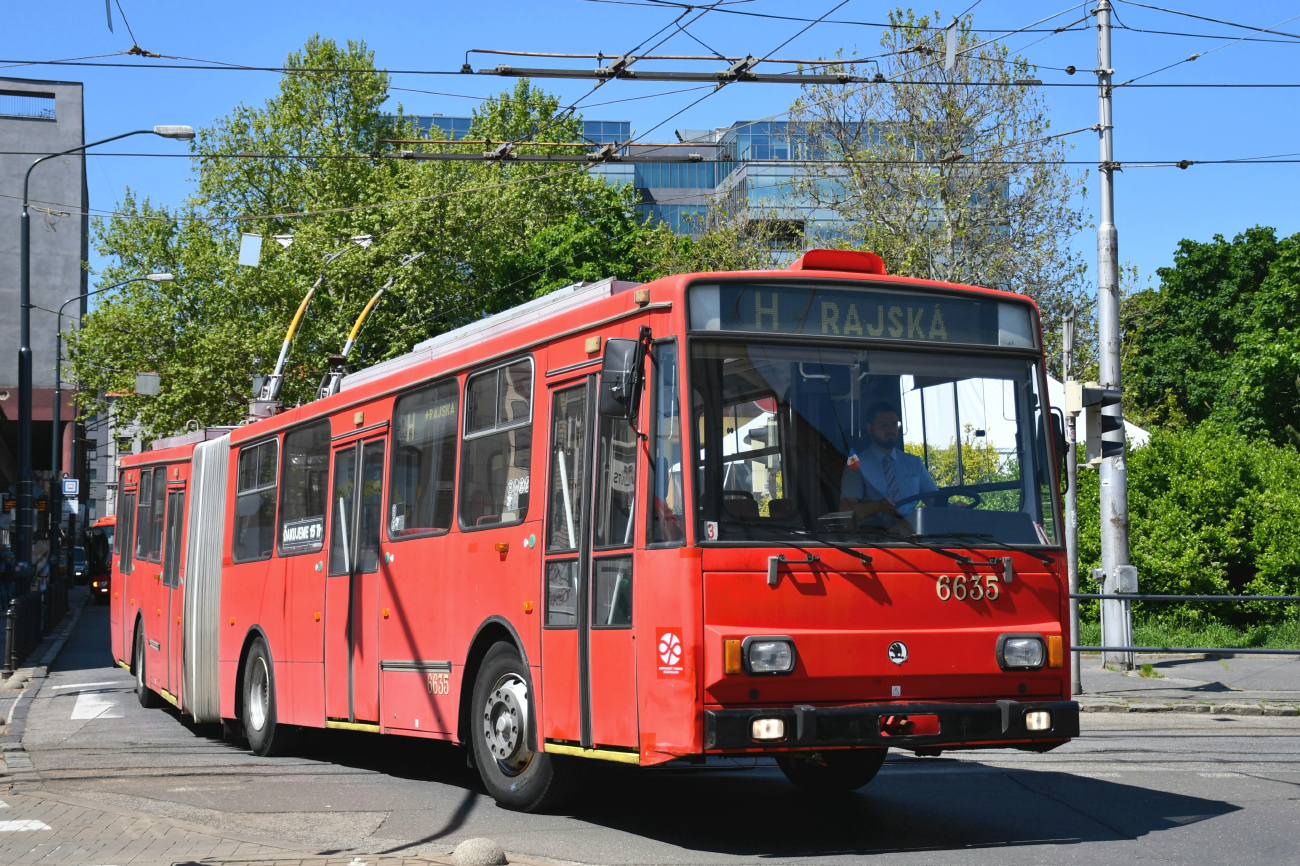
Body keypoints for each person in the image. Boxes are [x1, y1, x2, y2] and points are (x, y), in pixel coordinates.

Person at [839, 401, 939, 535]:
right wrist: (878, 506)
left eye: (894, 424)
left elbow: (934, 501)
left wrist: (954, 507)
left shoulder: (914, 462)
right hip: (875, 540)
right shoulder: (855, 463)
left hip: (915, 536)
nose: (891, 429)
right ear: (869, 428)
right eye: (883, 425)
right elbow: (845, 510)